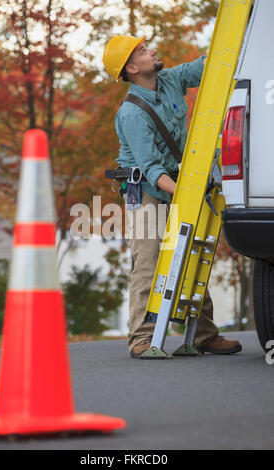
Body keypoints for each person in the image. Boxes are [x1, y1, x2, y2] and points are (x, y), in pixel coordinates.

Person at [103, 35, 242, 358]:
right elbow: (152, 170)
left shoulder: (168, 80)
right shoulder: (131, 114)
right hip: (146, 190)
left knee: (193, 252)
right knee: (149, 260)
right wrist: (187, 192)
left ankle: (204, 335)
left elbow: (203, 68)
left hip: (176, 180)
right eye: (142, 51)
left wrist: (234, 33)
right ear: (133, 68)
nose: (151, 50)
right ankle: (141, 337)